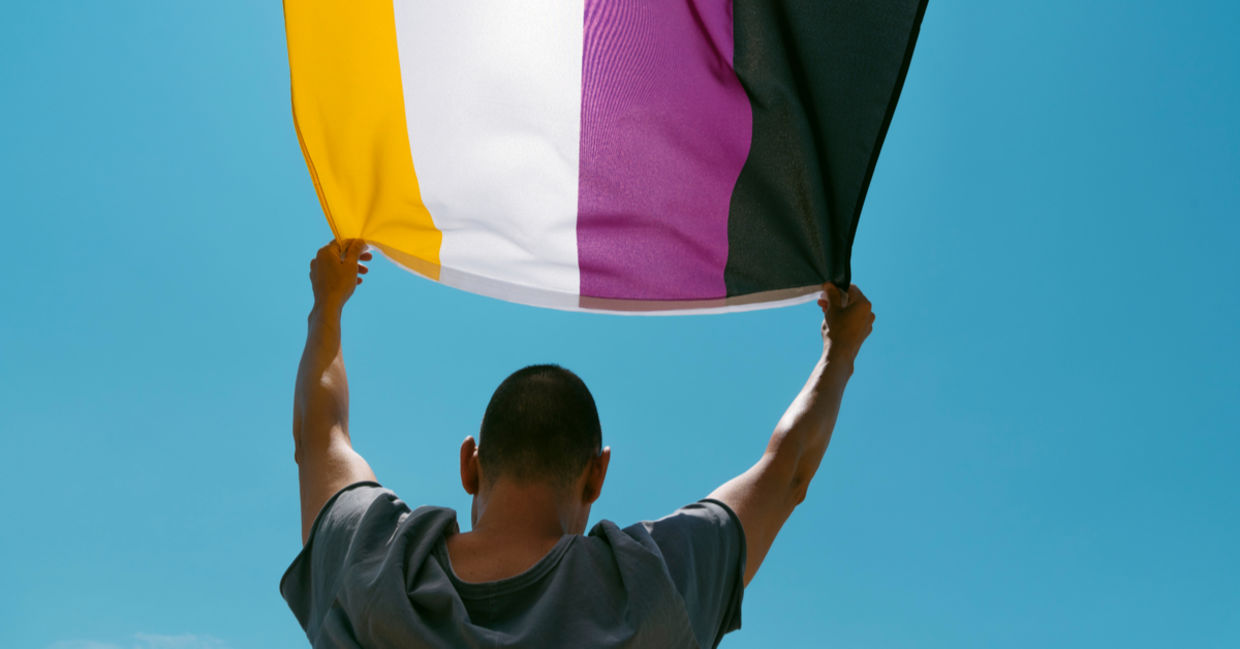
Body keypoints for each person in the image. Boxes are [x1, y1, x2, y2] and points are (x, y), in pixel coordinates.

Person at [281, 239, 875, 648]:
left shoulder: (373, 563)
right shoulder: (649, 588)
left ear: (470, 464)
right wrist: (839, 351)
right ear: (597, 475)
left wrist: (325, 304)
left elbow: (320, 434)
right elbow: (786, 471)